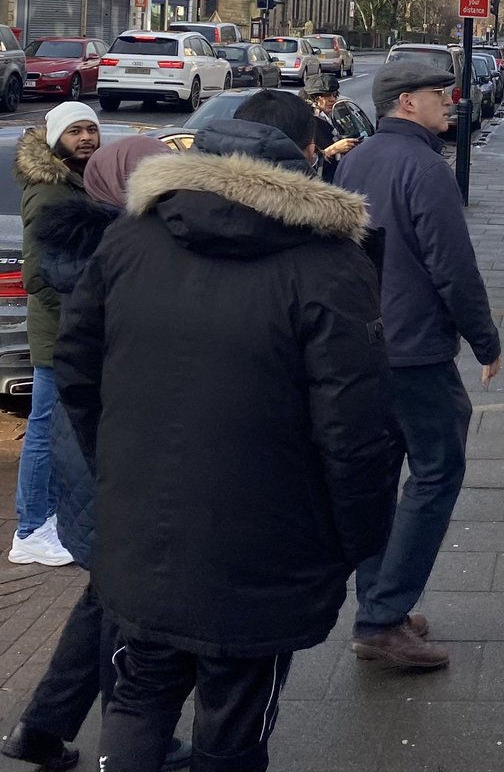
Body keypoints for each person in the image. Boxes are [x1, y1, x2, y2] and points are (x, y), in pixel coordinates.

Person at [54, 90, 397, 772]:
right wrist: (357, 539)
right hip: (265, 541)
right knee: (236, 717)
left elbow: (76, 368)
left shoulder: (130, 238)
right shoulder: (330, 267)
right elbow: (356, 428)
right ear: (305, 163)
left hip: (143, 524)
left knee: (138, 693)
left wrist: (115, 467)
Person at [3, 137, 190, 772]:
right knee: (128, 610)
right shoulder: (125, 262)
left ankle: (40, 729)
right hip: (117, 455)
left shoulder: (93, 253)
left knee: (105, 599)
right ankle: (137, 743)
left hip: (92, 451)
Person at [335, 61, 502, 669]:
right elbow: (452, 268)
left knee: (382, 482)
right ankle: (382, 618)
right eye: (439, 94)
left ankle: (380, 608)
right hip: (417, 352)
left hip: (367, 347)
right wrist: (486, 342)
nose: (449, 101)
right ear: (408, 102)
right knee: (435, 475)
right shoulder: (428, 166)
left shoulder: (356, 160)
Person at [9, 102, 101, 568]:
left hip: (66, 330)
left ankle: (44, 520)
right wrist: (79, 317)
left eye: (91, 129)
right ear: (55, 139)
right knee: (44, 428)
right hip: (57, 333)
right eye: (75, 131)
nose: (86, 138)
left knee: (53, 426)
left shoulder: (75, 182)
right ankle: (29, 528)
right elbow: (36, 275)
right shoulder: (49, 191)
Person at [300, 71, 360, 181]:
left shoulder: (337, 114)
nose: (332, 99)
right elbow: (305, 160)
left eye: (334, 94)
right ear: (314, 98)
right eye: (327, 95)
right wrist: (334, 149)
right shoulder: (306, 122)